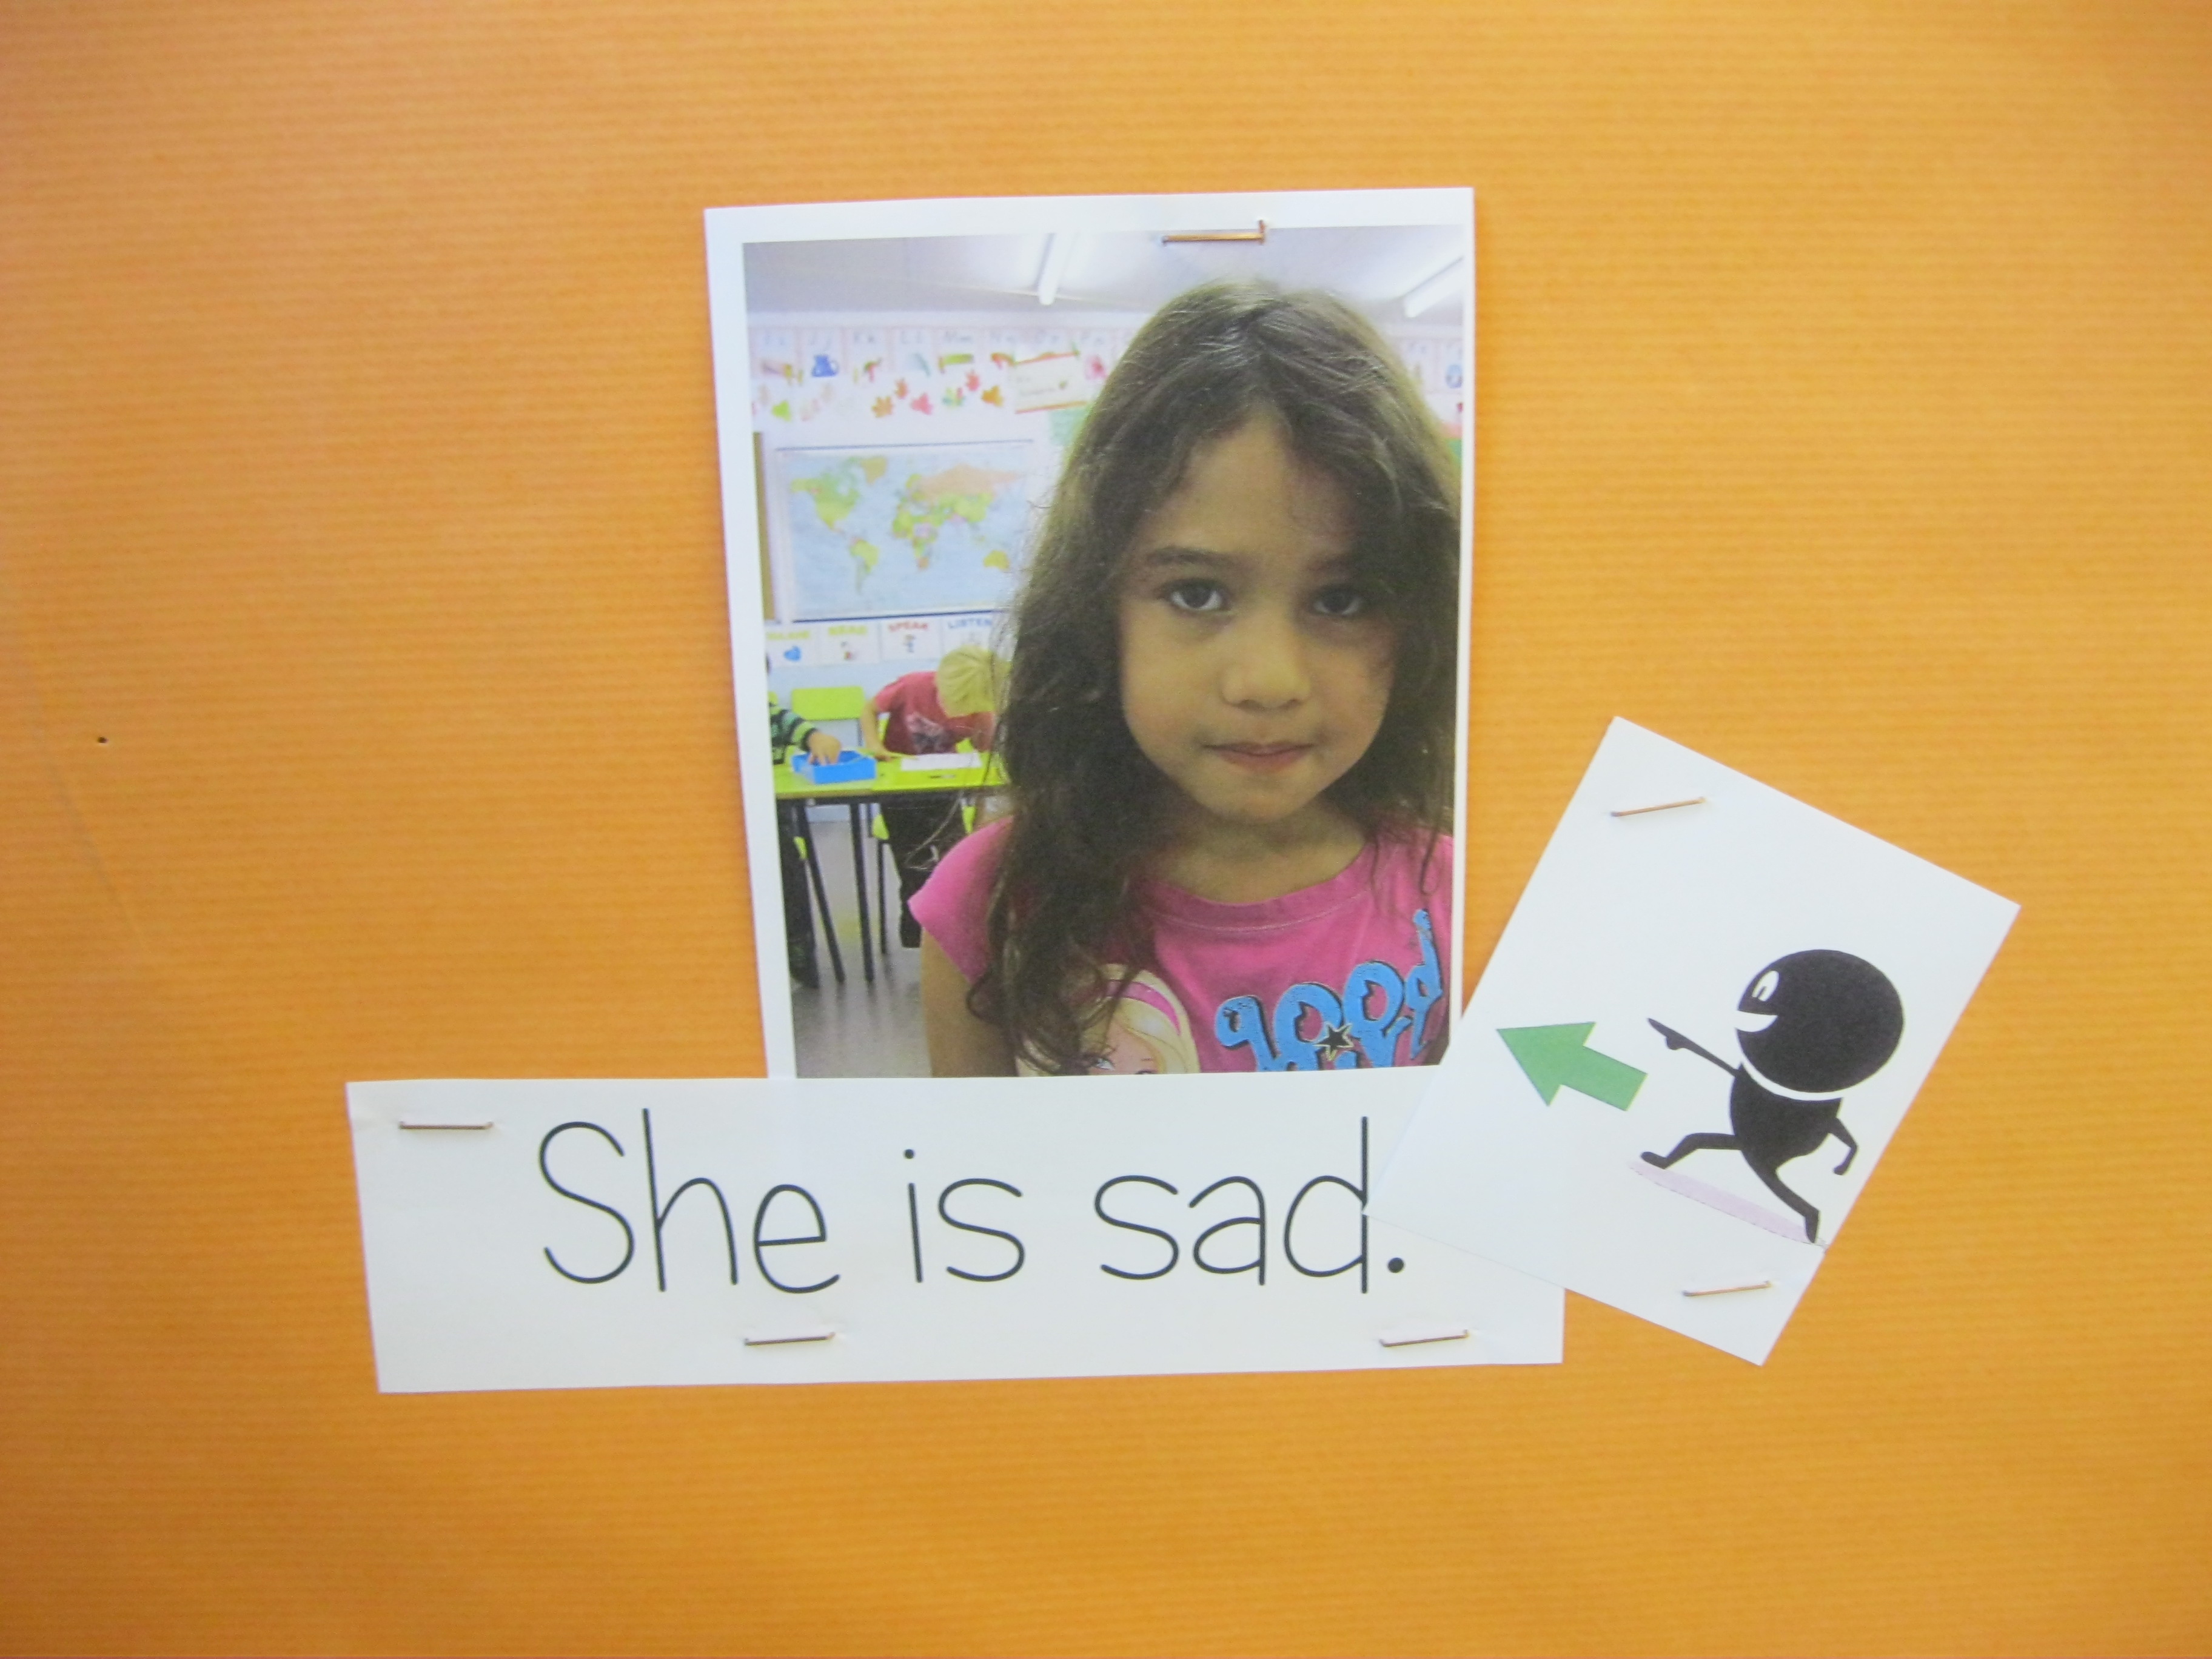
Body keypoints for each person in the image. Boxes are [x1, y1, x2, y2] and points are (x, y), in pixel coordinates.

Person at [911, 280, 1460, 1076]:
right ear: (1097, 609)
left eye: (1341, 600)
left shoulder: (1451, 897)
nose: (1268, 681)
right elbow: (973, 1155)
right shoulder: (993, 903)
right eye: (1197, 594)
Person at [862, 642, 1004, 948]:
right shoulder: (912, 686)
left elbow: (985, 763)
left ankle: (952, 933)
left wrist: (979, 818)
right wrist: (874, 745)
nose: (963, 711)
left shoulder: (979, 705)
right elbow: (869, 710)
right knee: (914, 865)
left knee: (954, 862)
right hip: (899, 791)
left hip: (943, 790)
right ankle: (917, 936)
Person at [770, 692, 842, 988]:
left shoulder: (773, 716)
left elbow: (816, 737)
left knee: (786, 869)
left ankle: (797, 952)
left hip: (772, 825)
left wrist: (819, 740)